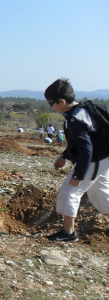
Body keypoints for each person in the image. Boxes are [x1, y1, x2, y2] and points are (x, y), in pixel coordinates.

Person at [44, 78, 109, 242]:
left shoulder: (75, 120)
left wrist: (78, 175)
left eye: (51, 103)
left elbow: (86, 148)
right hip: (103, 159)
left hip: (93, 161)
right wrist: (64, 156)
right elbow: (79, 142)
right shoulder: (83, 110)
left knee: (70, 192)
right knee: (100, 195)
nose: (51, 107)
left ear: (62, 101)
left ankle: (68, 233)